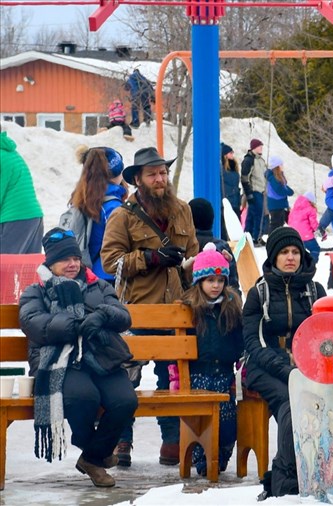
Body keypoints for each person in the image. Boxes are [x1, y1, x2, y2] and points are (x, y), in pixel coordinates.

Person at [100, 146, 199, 467]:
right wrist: (150, 257)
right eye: (153, 174)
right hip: (135, 310)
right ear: (138, 180)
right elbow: (110, 261)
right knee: (124, 378)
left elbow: (194, 257)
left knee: (170, 379)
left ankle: (171, 441)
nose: (160, 179)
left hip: (177, 310)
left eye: (163, 173)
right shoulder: (122, 215)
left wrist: (203, 263)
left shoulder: (182, 210)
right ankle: (121, 439)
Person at [19, 228, 138, 487]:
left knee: (125, 401)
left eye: (75, 258)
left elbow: (123, 315)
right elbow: (33, 323)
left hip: (101, 356)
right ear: (50, 263)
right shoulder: (34, 291)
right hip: (61, 361)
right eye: (64, 259)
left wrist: (102, 316)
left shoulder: (99, 284)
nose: (73, 264)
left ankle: (92, 457)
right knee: (83, 397)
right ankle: (98, 456)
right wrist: (75, 325)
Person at [243, 226, 325, 498]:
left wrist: (309, 369)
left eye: (295, 252)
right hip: (266, 367)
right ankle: (286, 481)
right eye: (284, 252)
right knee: (293, 404)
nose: (291, 257)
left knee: (327, 403)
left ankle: (321, 472)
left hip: (307, 368)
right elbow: (255, 344)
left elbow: (327, 337)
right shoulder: (259, 293)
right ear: (273, 257)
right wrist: (288, 371)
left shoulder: (316, 290)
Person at [172, 243, 244, 476]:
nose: (216, 286)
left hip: (224, 375)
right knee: (201, 422)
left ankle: (220, 455)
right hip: (198, 375)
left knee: (228, 424)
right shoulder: (190, 308)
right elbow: (179, 347)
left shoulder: (230, 307)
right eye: (210, 280)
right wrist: (176, 375)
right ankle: (202, 457)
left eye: (220, 280)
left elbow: (239, 341)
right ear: (199, 282)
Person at [70, 146, 128, 282]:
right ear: (118, 172)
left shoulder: (83, 199)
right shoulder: (113, 207)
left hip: (90, 274)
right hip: (109, 276)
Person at [0, 130, 43, 254]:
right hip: (33, 217)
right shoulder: (9, 152)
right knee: (28, 270)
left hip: (14, 219)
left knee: (4, 268)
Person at [189, 198, 239, 291]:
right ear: (211, 220)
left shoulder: (186, 246)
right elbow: (233, 284)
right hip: (222, 303)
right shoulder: (222, 246)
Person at [241, 139, 268, 246]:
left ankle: (251, 236)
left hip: (261, 191)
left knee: (254, 215)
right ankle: (255, 237)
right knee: (257, 215)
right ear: (254, 148)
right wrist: (249, 193)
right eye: (259, 146)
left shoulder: (261, 160)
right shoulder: (249, 160)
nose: (261, 148)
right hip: (254, 190)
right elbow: (244, 178)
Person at [287, 191, 322, 263]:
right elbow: (314, 224)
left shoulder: (294, 209)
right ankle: (310, 266)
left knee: (300, 251)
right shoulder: (310, 209)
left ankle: (300, 266)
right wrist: (321, 232)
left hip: (294, 235)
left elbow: (290, 222)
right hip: (306, 236)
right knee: (315, 249)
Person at [265, 156, 294, 232]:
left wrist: (289, 190)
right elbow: (278, 190)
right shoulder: (273, 178)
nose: (283, 166)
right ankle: (271, 239)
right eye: (281, 164)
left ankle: (277, 239)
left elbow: (283, 186)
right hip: (275, 204)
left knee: (280, 224)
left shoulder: (279, 176)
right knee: (275, 224)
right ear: (277, 167)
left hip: (280, 204)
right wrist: (288, 192)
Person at [221, 143, 241, 220]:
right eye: (230, 153)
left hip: (235, 200)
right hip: (228, 199)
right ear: (225, 155)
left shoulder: (234, 166)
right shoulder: (222, 169)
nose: (232, 154)